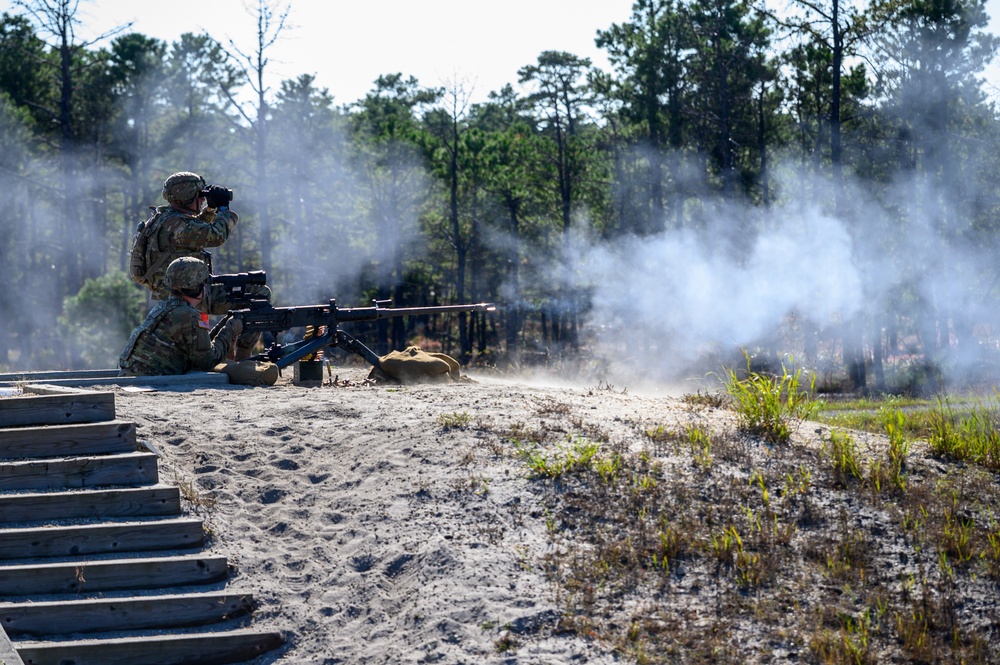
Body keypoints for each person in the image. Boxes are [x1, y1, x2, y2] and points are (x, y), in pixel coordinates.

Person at [137, 171, 270, 359]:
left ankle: (232, 354)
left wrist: (209, 210)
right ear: (186, 196)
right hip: (189, 296)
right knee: (259, 295)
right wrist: (223, 209)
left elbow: (194, 232)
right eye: (199, 196)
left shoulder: (166, 219)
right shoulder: (176, 224)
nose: (201, 200)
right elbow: (215, 235)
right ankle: (242, 355)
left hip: (179, 294)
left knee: (252, 292)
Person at [119, 257, 278, 386]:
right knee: (269, 373)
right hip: (152, 380)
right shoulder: (187, 315)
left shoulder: (165, 306)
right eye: (204, 283)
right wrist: (229, 330)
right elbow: (208, 361)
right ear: (196, 288)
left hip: (133, 374)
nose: (206, 287)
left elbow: (199, 348)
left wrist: (225, 325)